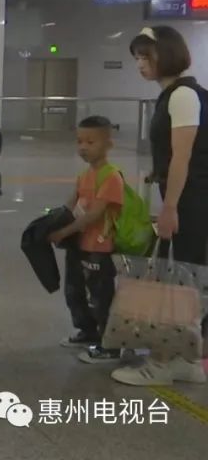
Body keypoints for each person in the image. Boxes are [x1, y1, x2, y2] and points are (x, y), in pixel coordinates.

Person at [110, 25, 208, 386]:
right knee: (186, 276)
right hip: (190, 198)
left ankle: (168, 361)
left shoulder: (182, 95)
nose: (140, 64)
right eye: (137, 57)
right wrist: (160, 173)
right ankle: (186, 359)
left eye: (145, 56)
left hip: (191, 202)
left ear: (166, 54)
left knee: (180, 279)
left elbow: (184, 157)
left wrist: (170, 208)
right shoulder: (177, 94)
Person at [49, 116, 123, 364]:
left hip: (99, 248)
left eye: (90, 142)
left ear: (108, 144)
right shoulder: (84, 175)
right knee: (75, 290)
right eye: (79, 141)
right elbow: (71, 206)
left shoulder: (111, 177)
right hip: (79, 245)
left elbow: (93, 215)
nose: (83, 147)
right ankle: (87, 330)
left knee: (100, 296)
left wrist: (63, 232)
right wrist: (52, 223)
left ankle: (110, 343)